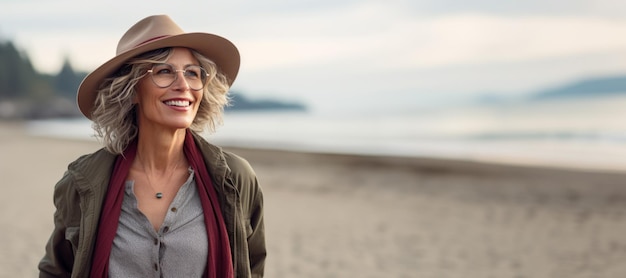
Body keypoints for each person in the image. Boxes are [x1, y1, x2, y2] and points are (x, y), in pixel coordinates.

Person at [38, 15, 266, 277]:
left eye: (192, 73)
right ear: (132, 89)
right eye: (164, 71)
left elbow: (253, 267)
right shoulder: (82, 183)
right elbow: (56, 271)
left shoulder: (236, 179)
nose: (183, 86)